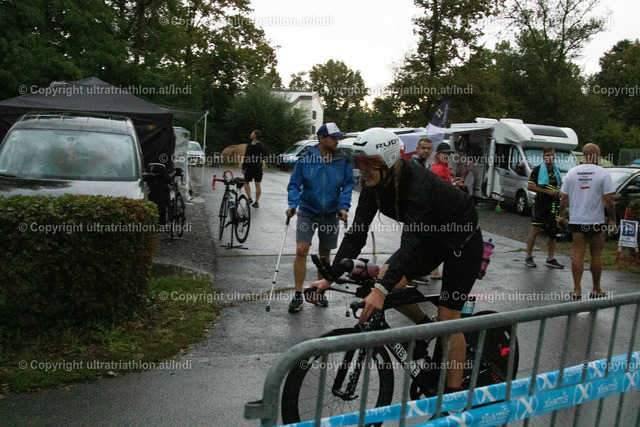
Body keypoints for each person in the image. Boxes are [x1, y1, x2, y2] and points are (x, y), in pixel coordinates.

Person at [310, 127, 483, 394]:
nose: (362, 170)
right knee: (386, 278)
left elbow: (410, 244)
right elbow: (357, 234)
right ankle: (425, 328)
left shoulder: (417, 184)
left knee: (448, 318)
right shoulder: (374, 186)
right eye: (359, 162)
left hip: (463, 240)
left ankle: (452, 399)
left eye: (369, 163)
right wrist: (329, 278)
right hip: (430, 237)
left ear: (389, 161)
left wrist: (380, 291)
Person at [286, 123, 354, 312]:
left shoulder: (344, 159)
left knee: (324, 254)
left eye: (338, 137)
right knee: (301, 250)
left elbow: (348, 185)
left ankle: (319, 291)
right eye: (333, 137)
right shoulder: (306, 158)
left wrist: (343, 207)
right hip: (308, 210)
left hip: (331, 213)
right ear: (321, 138)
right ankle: (298, 295)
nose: (337, 140)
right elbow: (294, 184)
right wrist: (292, 204)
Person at [558, 143, 615, 300]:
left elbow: (563, 198)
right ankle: (596, 288)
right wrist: (612, 220)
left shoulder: (572, 173)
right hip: (595, 220)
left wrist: (561, 217)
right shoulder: (603, 173)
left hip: (577, 220)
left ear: (583, 155)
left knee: (578, 253)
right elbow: (609, 200)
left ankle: (577, 290)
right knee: (596, 254)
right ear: (597, 156)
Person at [524, 146, 564, 269]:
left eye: (551, 155)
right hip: (540, 203)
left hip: (553, 204)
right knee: (536, 229)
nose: (549, 158)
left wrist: (559, 193)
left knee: (552, 231)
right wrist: (547, 191)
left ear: (555, 156)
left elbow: (559, 185)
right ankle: (528, 256)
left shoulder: (556, 171)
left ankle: (550, 258)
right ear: (543, 157)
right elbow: (530, 186)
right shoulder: (537, 170)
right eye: (547, 156)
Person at [242, 130, 267, 208]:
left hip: (249, 167)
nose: (251, 134)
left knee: (246, 182)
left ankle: (249, 198)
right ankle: (256, 202)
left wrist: (243, 167)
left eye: (252, 133)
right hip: (258, 168)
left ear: (255, 136)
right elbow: (265, 156)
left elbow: (246, 157)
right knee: (258, 185)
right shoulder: (262, 146)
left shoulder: (249, 146)